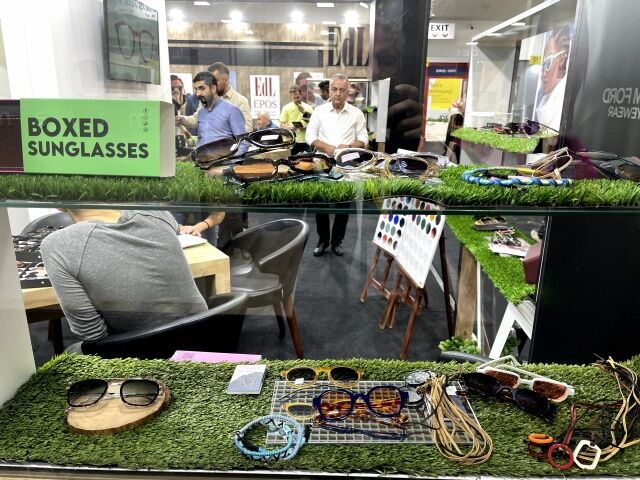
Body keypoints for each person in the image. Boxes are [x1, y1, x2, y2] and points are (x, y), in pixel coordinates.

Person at [40, 209, 207, 349]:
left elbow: (92, 335)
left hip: (140, 354)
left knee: (73, 350)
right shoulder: (155, 212)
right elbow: (176, 229)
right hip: (207, 337)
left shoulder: (56, 246)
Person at [305, 73, 368, 257]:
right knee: (321, 205)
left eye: (342, 90)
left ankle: (337, 242)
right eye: (334, 89)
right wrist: (328, 148)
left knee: (343, 206)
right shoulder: (319, 111)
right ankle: (323, 240)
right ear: (329, 91)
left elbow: (363, 138)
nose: (338, 93)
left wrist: (348, 147)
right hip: (322, 164)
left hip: (346, 165)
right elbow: (310, 136)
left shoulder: (356, 113)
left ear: (348, 91)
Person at [533, 26, 571, 132]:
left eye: (547, 63)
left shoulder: (563, 111)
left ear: (562, 60)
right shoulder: (547, 104)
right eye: (542, 65)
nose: (543, 73)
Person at [208, 62, 253, 132]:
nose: (211, 85)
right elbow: (196, 119)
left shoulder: (241, 101)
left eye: (215, 81)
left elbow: (248, 128)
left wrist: (226, 132)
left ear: (226, 80)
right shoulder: (208, 100)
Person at [279, 85, 314, 155]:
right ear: (291, 97)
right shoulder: (286, 107)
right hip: (292, 140)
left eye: (297, 97)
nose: (296, 100)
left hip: (306, 140)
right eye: (294, 98)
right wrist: (290, 128)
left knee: (307, 160)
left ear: (301, 95)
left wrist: (304, 127)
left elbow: (313, 123)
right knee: (292, 160)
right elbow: (281, 124)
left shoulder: (308, 107)